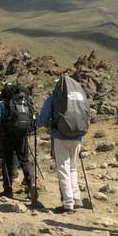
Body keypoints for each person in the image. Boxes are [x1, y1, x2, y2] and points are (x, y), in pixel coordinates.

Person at [35, 78, 88, 215]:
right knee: (73, 168)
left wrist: (36, 124)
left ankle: (68, 203)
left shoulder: (53, 98)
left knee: (63, 169)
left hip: (60, 137)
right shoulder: (79, 96)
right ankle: (76, 198)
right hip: (78, 137)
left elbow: (43, 119)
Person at [0, 83, 34, 199]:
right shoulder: (24, 103)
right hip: (22, 134)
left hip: (7, 135)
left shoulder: (2, 104)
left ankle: (8, 190)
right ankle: (31, 186)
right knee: (24, 160)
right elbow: (33, 118)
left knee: (6, 162)